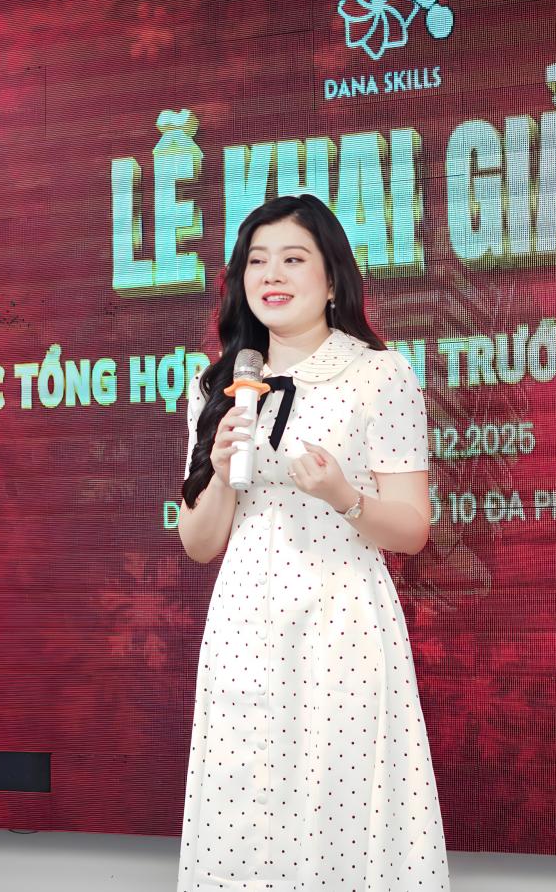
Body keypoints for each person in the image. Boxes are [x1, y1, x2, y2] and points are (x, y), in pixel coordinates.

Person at [175, 193, 450, 890]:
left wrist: (344, 497)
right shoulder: (218, 383)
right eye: (256, 261)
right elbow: (199, 543)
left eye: (293, 259)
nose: (272, 274)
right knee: (244, 809)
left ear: (331, 280)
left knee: (339, 808)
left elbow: (412, 527)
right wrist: (222, 470)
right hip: (243, 626)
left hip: (340, 622)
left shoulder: (378, 374)